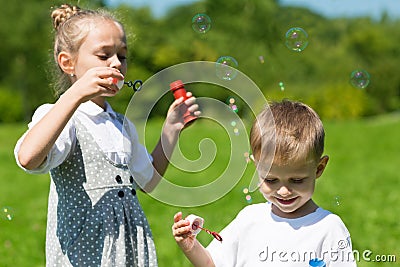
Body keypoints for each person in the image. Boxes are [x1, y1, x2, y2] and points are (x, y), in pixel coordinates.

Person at [14, 4, 199, 267]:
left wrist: (172, 128)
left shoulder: (121, 124)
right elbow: (28, 158)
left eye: (122, 56)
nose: (116, 63)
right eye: (104, 56)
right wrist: (75, 94)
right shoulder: (61, 117)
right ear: (68, 63)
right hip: (85, 253)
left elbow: (148, 181)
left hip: (129, 249)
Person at [172, 99, 356, 266]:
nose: (284, 191)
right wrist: (190, 246)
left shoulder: (328, 228)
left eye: (297, 180)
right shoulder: (249, 219)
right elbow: (213, 264)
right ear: (256, 167)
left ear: (319, 169)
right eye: (271, 180)